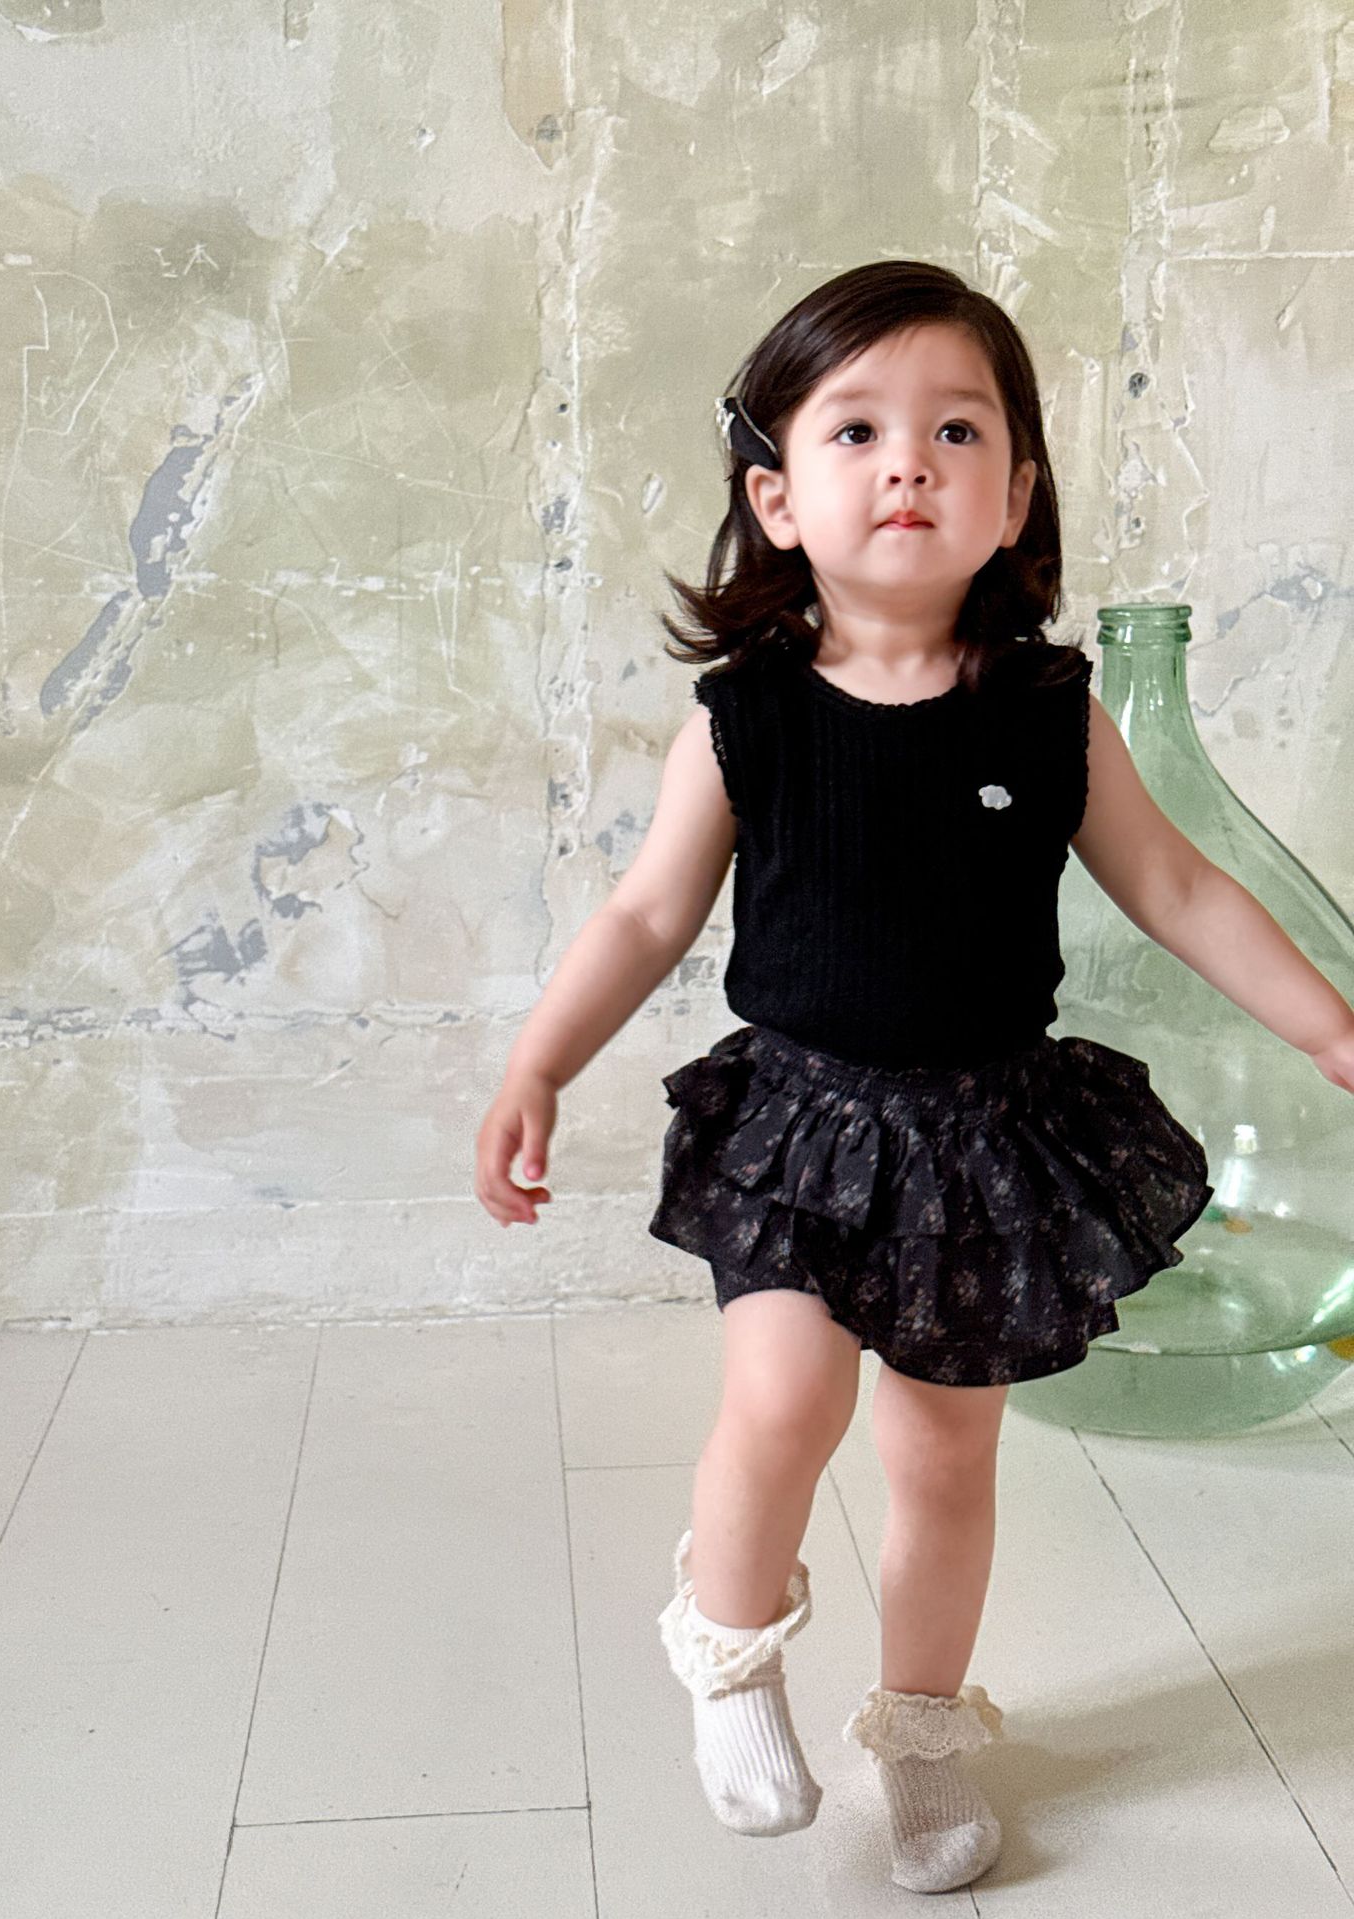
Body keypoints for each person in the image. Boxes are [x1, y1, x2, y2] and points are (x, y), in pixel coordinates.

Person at [472, 260, 1354, 1894]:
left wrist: (1327, 1024)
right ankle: (729, 1649)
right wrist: (539, 1063)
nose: (910, 465)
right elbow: (648, 913)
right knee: (785, 1398)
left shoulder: (1049, 712)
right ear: (777, 498)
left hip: (986, 1137)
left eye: (958, 431)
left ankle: (926, 1729)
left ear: (1015, 497)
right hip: (803, 1128)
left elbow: (1176, 887)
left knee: (944, 1458)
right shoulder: (744, 720)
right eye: (858, 431)